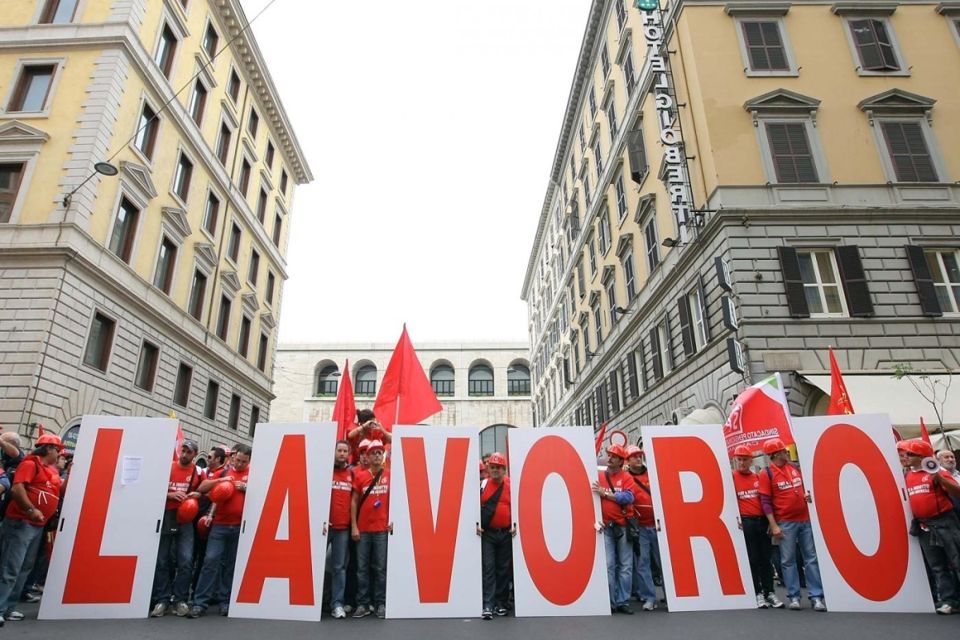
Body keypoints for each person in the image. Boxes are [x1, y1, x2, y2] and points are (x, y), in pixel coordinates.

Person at [0, 434, 63, 625]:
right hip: (22, 522)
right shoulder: (30, 464)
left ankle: (9, 608)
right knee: (11, 566)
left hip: (37, 525)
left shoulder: (49, 470)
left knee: (24, 567)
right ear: (48, 449)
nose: (60, 454)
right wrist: (31, 509)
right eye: (58, 450)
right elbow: (17, 489)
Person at [759, 438, 825, 612]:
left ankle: (816, 596)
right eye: (784, 451)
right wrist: (774, 525)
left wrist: (806, 497)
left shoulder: (794, 468)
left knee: (811, 558)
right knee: (788, 561)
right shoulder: (767, 473)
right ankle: (794, 597)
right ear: (776, 454)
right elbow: (765, 501)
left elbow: (803, 489)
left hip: (804, 520)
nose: (787, 453)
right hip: (786, 522)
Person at [188, 444, 251, 618]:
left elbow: (263, 493)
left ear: (249, 461)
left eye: (243, 462)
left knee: (231, 565)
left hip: (240, 527)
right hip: (220, 526)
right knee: (210, 561)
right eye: (237, 460)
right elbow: (202, 488)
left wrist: (244, 487)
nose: (239, 464)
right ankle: (200, 603)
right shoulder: (224, 473)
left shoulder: (254, 474)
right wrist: (221, 481)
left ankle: (225, 602)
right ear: (232, 458)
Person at [904, 439, 960, 614]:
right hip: (924, 526)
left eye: (910, 454)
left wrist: (939, 479)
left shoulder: (938, 472)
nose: (905, 457)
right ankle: (949, 600)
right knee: (937, 565)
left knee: (957, 560)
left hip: (944, 522)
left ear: (921, 456)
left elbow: (957, 492)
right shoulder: (908, 476)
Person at [150, 440, 202, 618]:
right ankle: (162, 600)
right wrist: (170, 494)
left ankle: (180, 599)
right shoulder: (168, 467)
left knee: (186, 560)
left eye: (189, 452)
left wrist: (198, 494)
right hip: (166, 516)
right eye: (183, 450)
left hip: (185, 520)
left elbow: (206, 490)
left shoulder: (198, 472)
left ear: (195, 454)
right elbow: (152, 488)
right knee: (162, 560)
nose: (185, 454)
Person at [731, 445, 783, 609]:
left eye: (744, 459)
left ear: (751, 460)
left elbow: (766, 500)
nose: (741, 463)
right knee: (752, 559)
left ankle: (770, 592)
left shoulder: (758, 477)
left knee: (765, 559)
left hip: (761, 521)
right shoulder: (732, 478)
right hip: (746, 523)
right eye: (739, 459)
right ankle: (757, 592)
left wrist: (770, 522)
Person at [593, 443, 637, 614]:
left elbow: (629, 497)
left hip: (623, 526)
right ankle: (611, 601)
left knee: (625, 565)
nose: (610, 458)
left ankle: (623, 601)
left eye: (614, 456)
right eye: (609, 455)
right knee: (609, 564)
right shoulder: (599, 476)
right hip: (606, 527)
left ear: (620, 461)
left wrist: (607, 494)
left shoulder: (626, 477)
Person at [351, 440, 390, 619]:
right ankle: (362, 604)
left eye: (379, 453)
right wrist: (354, 526)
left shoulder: (390, 476)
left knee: (380, 568)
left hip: (382, 529)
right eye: (373, 453)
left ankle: (380, 603)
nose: (376, 455)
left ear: (383, 457)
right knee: (362, 569)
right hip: (364, 530)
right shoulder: (360, 477)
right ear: (368, 456)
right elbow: (354, 502)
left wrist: (393, 521)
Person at [477, 452, 513, 620]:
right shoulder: (482, 485)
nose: (496, 470)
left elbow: (518, 507)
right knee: (489, 569)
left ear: (504, 470)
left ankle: (501, 604)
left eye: (499, 468)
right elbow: (472, 508)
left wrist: (515, 525)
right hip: (489, 535)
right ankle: (488, 605)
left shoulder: (511, 485)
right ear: (488, 469)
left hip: (506, 534)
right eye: (492, 467)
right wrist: (476, 525)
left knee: (503, 570)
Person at [625, 445, 659, 611]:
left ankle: (672, 595)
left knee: (663, 562)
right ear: (628, 460)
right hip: (641, 528)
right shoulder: (626, 478)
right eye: (634, 456)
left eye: (640, 455)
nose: (638, 459)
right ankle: (649, 598)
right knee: (643, 563)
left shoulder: (652, 473)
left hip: (659, 525)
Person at [328, 440, 353, 619]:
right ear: (334, 452)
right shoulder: (326, 471)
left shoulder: (351, 474)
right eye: (339, 450)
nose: (342, 454)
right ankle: (313, 602)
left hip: (342, 528)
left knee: (339, 567)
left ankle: (337, 603)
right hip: (324, 526)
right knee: (315, 565)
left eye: (345, 451)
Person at [0, 432, 25, 520]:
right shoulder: (4, 459)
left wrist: (2, 442)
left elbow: (15, 453)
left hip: (7, 510)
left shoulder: (19, 459)